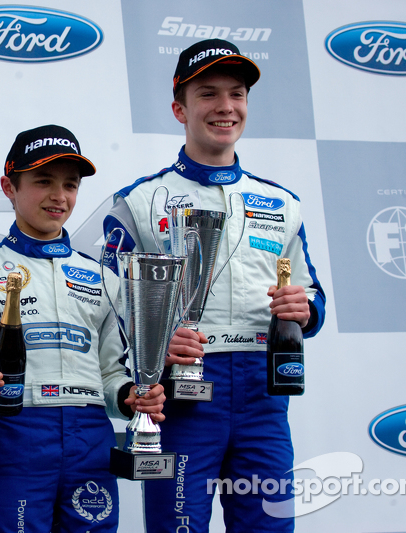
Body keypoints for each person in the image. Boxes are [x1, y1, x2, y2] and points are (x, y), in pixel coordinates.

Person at [103, 39, 326, 532]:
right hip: (182, 393)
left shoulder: (282, 203)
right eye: (209, 93)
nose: (225, 107)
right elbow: (111, 302)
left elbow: (314, 297)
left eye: (237, 93)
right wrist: (155, 350)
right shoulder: (138, 202)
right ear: (179, 108)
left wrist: (304, 310)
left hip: (263, 396)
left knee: (268, 524)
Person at [0, 125, 166, 533]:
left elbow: (112, 372)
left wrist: (130, 397)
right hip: (19, 430)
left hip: (89, 435)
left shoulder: (103, 278)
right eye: (43, 182)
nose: (59, 196)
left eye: (70, 185)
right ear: (9, 186)